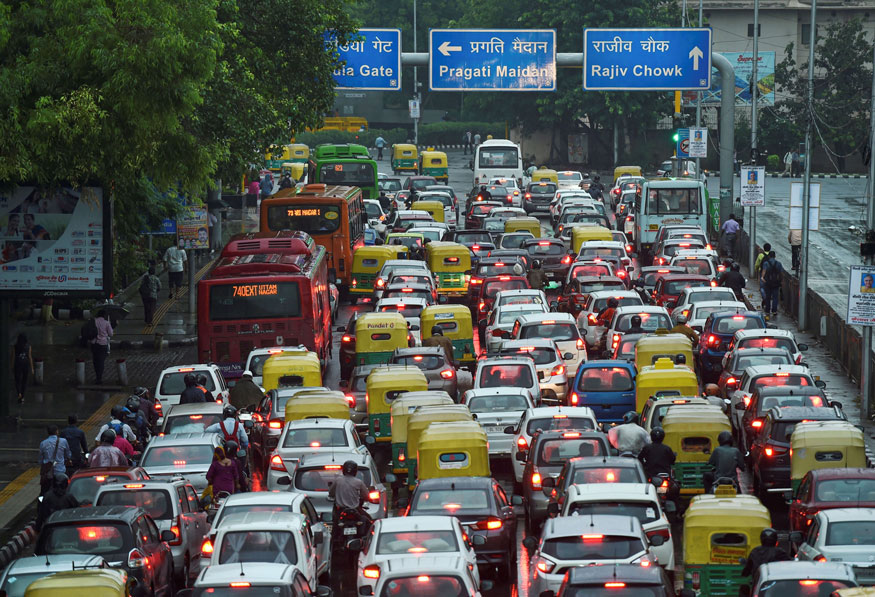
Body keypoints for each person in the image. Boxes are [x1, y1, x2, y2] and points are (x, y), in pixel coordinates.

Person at [39, 426, 71, 495]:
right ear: (57, 432)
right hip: (61, 471)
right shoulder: (63, 441)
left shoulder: (43, 443)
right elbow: (68, 455)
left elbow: (40, 460)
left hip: (48, 473)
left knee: (44, 492)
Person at [89, 309, 113, 385]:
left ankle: (97, 377)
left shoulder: (93, 321)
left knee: (95, 361)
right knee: (101, 361)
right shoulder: (106, 323)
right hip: (103, 344)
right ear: (104, 315)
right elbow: (111, 334)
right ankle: (99, 378)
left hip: (94, 343)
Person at [760, 251, 784, 319]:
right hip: (776, 283)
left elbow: (763, 272)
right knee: (775, 297)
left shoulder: (766, 263)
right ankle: (774, 310)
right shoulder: (778, 264)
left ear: (769, 256)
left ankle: (767, 310)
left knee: (768, 297)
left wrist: (763, 279)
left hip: (768, 283)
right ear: (775, 256)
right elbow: (781, 273)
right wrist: (781, 281)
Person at [12, 333, 33, 404]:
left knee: (17, 381)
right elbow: (30, 357)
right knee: (24, 381)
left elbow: (13, 357)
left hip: (17, 365)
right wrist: (32, 368)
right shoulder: (28, 346)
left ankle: (19, 394)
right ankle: (23, 396)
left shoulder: (15, 346)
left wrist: (12, 366)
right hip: (25, 365)